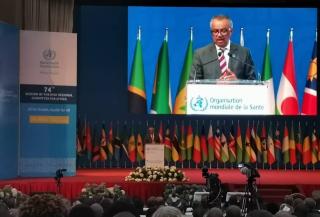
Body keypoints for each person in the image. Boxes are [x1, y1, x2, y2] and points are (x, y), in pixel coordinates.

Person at [189, 15, 256, 81]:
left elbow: (253, 82)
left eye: (223, 31)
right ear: (211, 33)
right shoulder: (200, 54)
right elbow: (194, 83)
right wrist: (215, 86)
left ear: (231, 32)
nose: (219, 35)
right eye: (215, 31)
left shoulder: (244, 53)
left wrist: (237, 82)